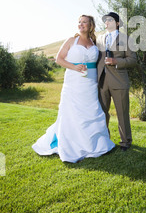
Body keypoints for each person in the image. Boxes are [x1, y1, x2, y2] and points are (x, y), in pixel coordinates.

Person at [32, 15, 115, 163]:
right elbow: (59, 59)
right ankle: (71, 145)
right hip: (73, 82)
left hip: (90, 83)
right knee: (72, 112)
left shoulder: (93, 42)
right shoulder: (71, 41)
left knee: (91, 111)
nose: (81, 25)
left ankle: (93, 143)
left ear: (91, 26)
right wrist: (74, 67)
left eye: (84, 22)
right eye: (79, 22)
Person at [97, 12, 137, 151]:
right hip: (102, 82)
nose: (106, 22)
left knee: (122, 113)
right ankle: (104, 140)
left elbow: (133, 60)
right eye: (105, 20)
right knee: (102, 113)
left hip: (119, 81)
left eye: (110, 20)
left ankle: (125, 142)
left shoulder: (126, 39)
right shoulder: (100, 39)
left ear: (118, 23)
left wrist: (116, 61)